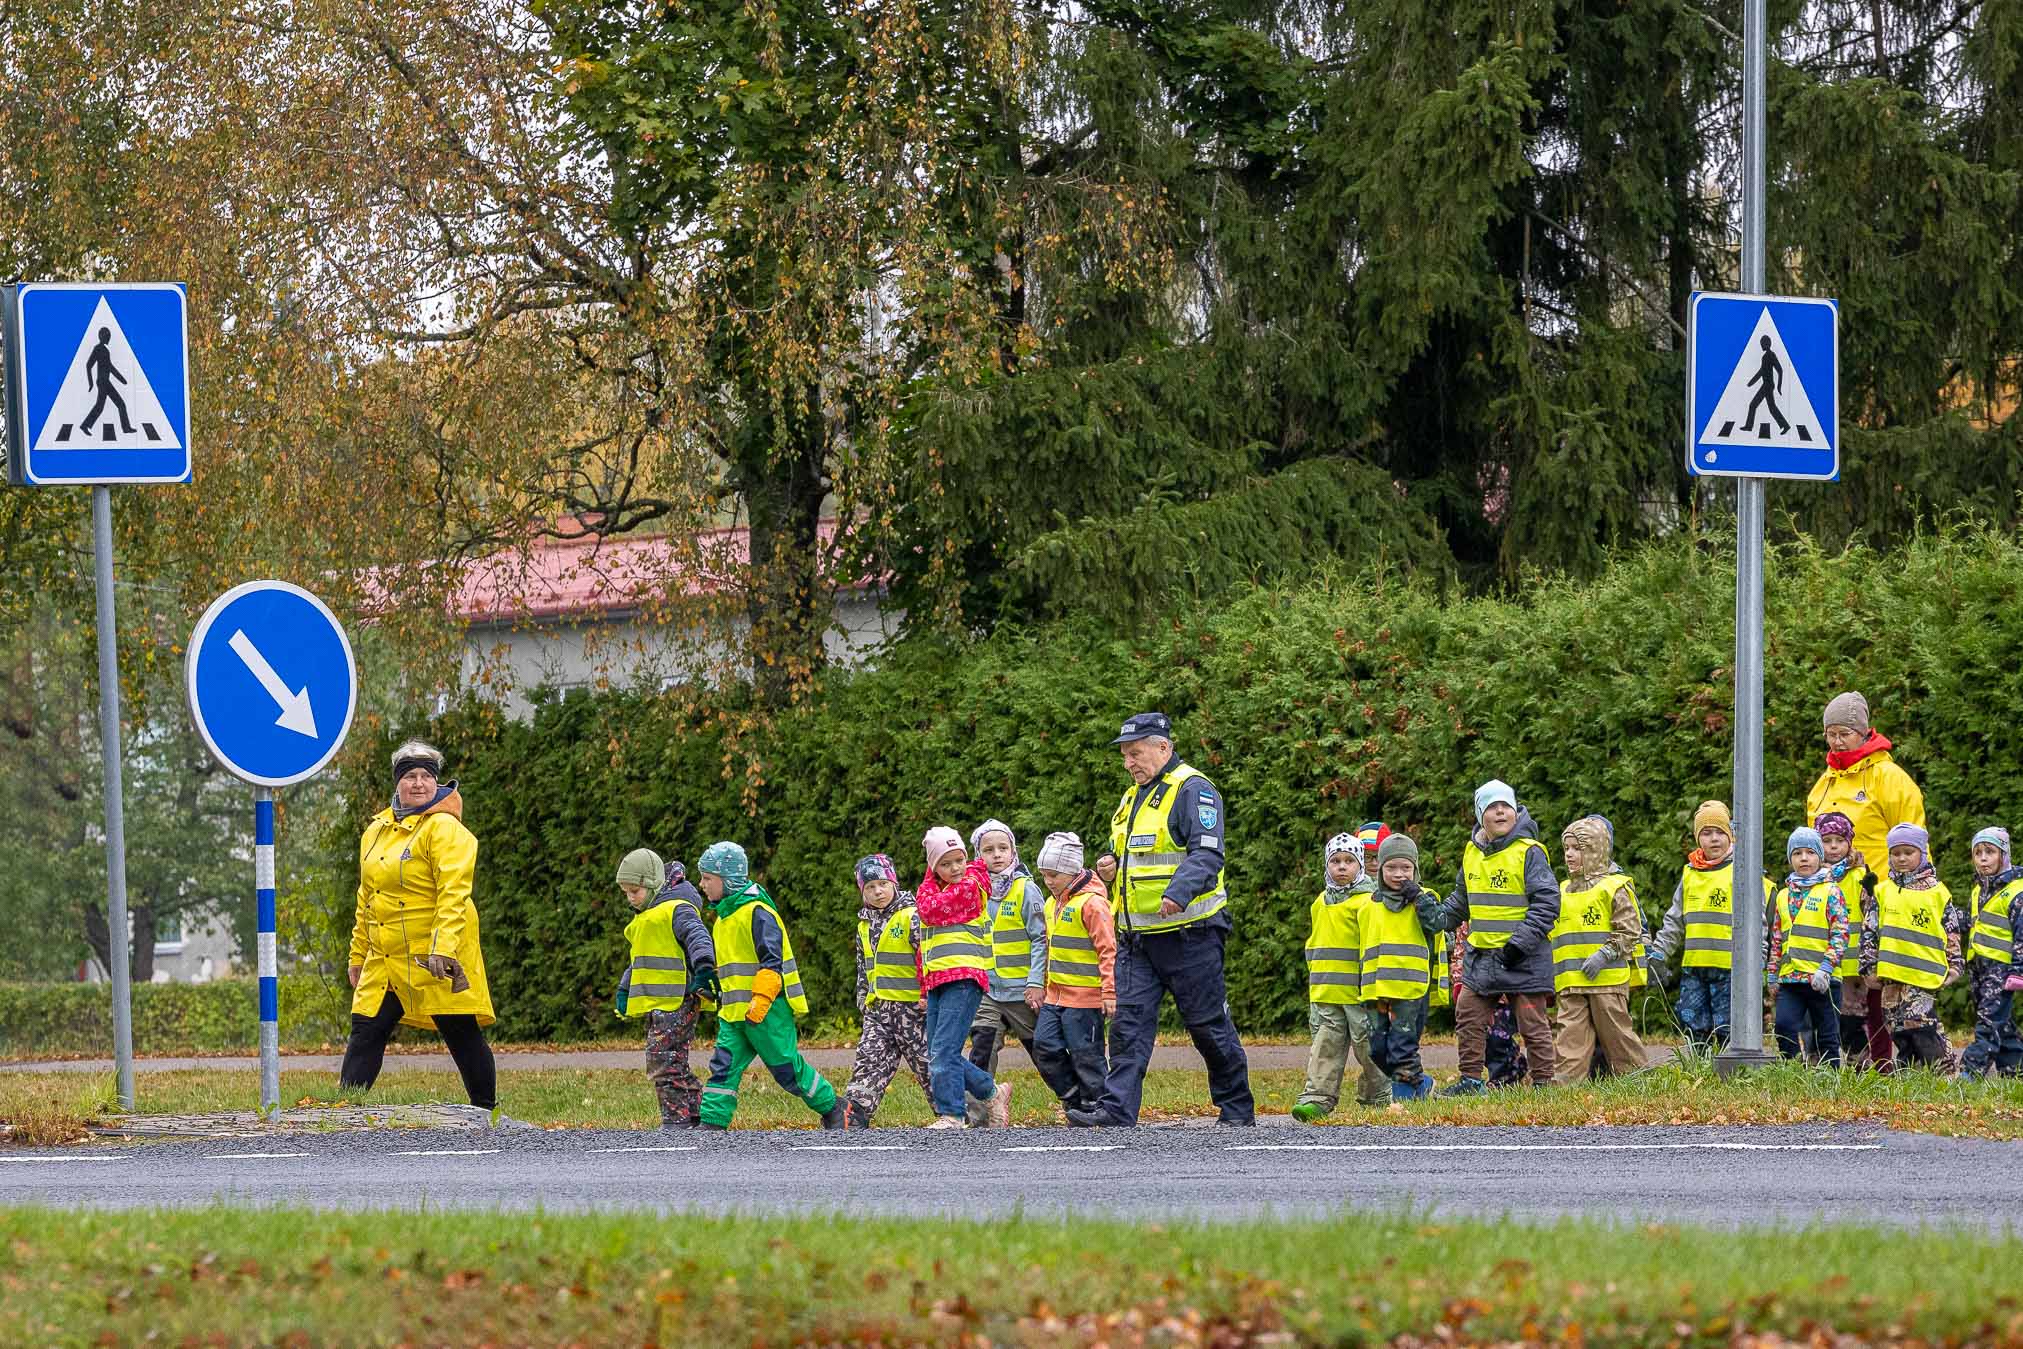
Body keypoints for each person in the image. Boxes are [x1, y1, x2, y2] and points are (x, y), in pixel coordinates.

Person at [1071, 711, 1254, 1127]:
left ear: (1163, 748)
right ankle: (1117, 1111)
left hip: (1191, 935)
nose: (1129, 763)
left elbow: (1206, 853)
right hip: (1138, 939)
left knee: (1207, 1026)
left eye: (1136, 753)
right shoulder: (1131, 797)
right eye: (1124, 756)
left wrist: (1178, 892)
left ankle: (1237, 1110)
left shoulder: (1192, 789)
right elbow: (1136, 855)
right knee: (1127, 1027)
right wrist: (1111, 865)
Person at [341, 741, 496, 1111]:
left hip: (434, 953)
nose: (419, 783)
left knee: (459, 1031)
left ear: (437, 783)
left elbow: (453, 893)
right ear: (397, 783)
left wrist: (443, 948)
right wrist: (357, 953)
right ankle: (344, 1113)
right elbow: (367, 896)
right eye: (410, 776)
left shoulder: (444, 828)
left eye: (427, 776)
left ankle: (486, 1112)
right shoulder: (375, 830)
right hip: (386, 957)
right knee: (366, 1028)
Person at [696, 841, 845, 1130]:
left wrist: (761, 1001)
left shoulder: (758, 913)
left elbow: (771, 961)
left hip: (767, 1010)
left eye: (707, 878)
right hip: (735, 1013)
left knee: (786, 1068)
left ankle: (834, 1106)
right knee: (723, 1066)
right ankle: (712, 1121)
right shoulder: (723, 919)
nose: (702, 884)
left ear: (728, 880)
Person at [1424, 779, 1559, 1094]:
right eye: (1492, 806)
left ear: (1515, 811)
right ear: (1480, 813)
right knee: (1468, 1017)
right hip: (1482, 958)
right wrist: (1439, 918)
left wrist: (1518, 945)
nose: (1501, 812)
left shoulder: (1531, 852)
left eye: (1506, 806)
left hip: (1522, 958)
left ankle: (1544, 1085)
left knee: (1533, 1025)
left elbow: (1547, 903)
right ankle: (1471, 1081)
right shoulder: (1471, 852)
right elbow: (1461, 900)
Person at [613, 849, 718, 1129]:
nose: (630, 898)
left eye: (634, 891)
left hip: (680, 999)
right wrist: (625, 990)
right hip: (659, 1003)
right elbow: (640, 961)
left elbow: (699, 938)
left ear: (652, 884)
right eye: (625, 892)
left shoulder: (677, 909)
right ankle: (698, 1115)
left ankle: (675, 1122)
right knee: (673, 1062)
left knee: (661, 1060)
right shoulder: (646, 918)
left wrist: (705, 968)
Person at [915, 827, 1011, 1130]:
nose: (955, 868)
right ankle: (991, 1092)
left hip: (965, 976)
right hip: (937, 980)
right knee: (938, 1052)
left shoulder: (973, 884)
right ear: (933, 866)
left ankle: (952, 1115)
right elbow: (926, 915)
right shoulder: (929, 887)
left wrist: (934, 894)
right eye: (945, 863)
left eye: (959, 860)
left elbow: (930, 909)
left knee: (943, 1051)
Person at [1647, 801, 1758, 1054]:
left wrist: (1756, 960)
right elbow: (1674, 920)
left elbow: (1756, 922)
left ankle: (1728, 1073)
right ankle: (1701, 1068)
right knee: (1693, 1022)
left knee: (1727, 1026)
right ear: (1698, 838)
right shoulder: (1689, 874)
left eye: (1720, 832)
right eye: (1706, 833)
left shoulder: (1740, 872)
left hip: (1730, 968)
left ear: (1731, 836)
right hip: (1695, 966)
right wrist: (1659, 953)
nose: (1714, 839)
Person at [1292, 833, 1387, 1122]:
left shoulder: (1368, 902)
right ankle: (1316, 1098)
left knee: (1368, 1047)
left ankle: (1379, 1094)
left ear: (1360, 866)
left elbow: (1374, 946)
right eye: (1335, 861)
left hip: (1359, 995)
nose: (1342, 867)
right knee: (1324, 1048)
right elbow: (1314, 944)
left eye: (1349, 861)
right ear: (1326, 866)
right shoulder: (1320, 902)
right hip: (1326, 993)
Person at [1549, 816, 1648, 1082]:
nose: (1569, 855)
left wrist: (1605, 954)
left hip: (1607, 982)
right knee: (1569, 1041)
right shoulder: (1560, 891)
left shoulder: (1614, 887)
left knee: (1619, 1038)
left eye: (1577, 849)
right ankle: (1565, 1093)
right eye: (1566, 848)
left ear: (1594, 851)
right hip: (1571, 982)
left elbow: (1630, 930)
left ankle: (1638, 1084)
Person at [1858, 823, 1964, 1069]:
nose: (1902, 858)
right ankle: (1911, 1069)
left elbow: (1951, 931)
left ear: (1922, 854)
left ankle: (1943, 1069)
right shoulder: (1882, 892)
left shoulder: (1937, 892)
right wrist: (1867, 967)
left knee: (1921, 1022)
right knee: (1897, 1025)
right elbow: (1870, 931)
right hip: (1890, 975)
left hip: (1923, 974)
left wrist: (1955, 964)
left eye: (1908, 852)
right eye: (1896, 853)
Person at [965, 820, 1049, 1127]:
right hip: (986, 990)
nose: (996, 855)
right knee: (982, 1051)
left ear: (1013, 850)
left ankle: (1077, 1102)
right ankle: (977, 1115)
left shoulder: (1026, 889)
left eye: (1003, 848)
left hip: (1022, 991)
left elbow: (1041, 938)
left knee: (1044, 1051)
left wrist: (1036, 981)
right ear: (978, 855)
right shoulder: (972, 892)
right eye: (988, 850)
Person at [843, 854, 933, 1127]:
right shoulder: (864, 924)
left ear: (894, 883)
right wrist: (863, 997)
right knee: (869, 1060)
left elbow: (927, 958)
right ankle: (855, 1114)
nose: (877, 891)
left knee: (928, 1064)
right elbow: (864, 966)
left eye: (882, 883)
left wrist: (928, 994)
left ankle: (958, 1111)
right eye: (870, 887)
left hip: (913, 1010)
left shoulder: (912, 916)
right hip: (879, 1010)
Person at [1031, 831, 1116, 1116]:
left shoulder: (1093, 904)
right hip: (1055, 996)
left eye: (1054, 875)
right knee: (1043, 1046)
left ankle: (1098, 1107)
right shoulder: (1051, 903)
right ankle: (1073, 1098)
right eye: (1044, 875)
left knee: (1087, 1055)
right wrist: (1042, 984)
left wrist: (1109, 993)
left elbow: (1108, 950)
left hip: (1086, 998)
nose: (1048, 881)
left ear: (1071, 871)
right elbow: (1051, 949)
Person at [1805, 691, 1925, 886]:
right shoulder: (1823, 784)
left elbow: (1915, 842)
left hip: (1880, 895)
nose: (1837, 741)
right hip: (1830, 898)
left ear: (1863, 734)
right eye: (1831, 734)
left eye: (1844, 734)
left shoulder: (1890, 778)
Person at [1364, 831, 1440, 1101]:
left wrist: (1418, 898)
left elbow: (1437, 923)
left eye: (1406, 868)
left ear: (1415, 869)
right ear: (1380, 869)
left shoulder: (1426, 897)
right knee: (1376, 1049)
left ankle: (1403, 1100)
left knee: (1402, 1047)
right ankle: (1420, 1082)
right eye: (1392, 867)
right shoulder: (1369, 904)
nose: (1399, 874)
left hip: (1409, 987)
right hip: (1376, 989)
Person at [1815, 811, 1890, 1070]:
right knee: (1822, 1015)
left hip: (1852, 963)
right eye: (1827, 841)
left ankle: (1859, 1065)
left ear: (1850, 842)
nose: (1833, 846)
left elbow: (1872, 917)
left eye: (1839, 840)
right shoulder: (1811, 875)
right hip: (1820, 960)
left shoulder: (1861, 875)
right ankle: (1822, 1064)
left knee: (1852, 1019)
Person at [1766, 827, 1847, 1065]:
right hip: (1791, 979)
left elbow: (1840, 935)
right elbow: (1778, 939)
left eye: (1810, 853)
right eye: (1797, 853)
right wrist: (1772, 975)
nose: (1804, 858)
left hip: (1824, 979)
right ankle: (1792, 1068)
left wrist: (1826, 967)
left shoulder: (1831, 891)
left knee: (1827, 1034)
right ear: (1790, 858)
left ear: (1819, 857)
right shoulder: (1783, 895)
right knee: (1784, 1025)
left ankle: (1830, 1075)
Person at [1959, 827, 2023, 1080]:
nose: (1983, 858)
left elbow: (2022, 934)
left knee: (1988, 1023)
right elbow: (1976, 922)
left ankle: (1969, 1072)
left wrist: (2018, 969)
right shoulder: (1979, 889)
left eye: (1990, 852)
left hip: (2002, 968)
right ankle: (2015, 1070)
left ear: (2003, 855)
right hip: (1980, 967)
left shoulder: (2016, 892)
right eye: (1978, 853)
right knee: (2001, 1024)